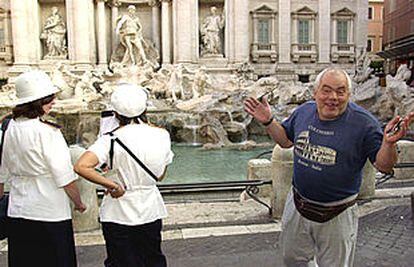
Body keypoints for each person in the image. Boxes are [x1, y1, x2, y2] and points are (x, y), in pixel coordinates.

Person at [244, 67, 414, 267]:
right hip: (298, 205)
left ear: (349, 95)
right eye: (326, 90)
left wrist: (389, 143)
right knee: (293, 260)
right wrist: (268, 121)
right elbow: (285, 141)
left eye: (340, 91)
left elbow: (384, 166)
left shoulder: (364, 124)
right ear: (315, 93)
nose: (333, 97)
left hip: (337, 213)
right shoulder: (304, 111)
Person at [74, 83, 174, 267]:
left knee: (121, 261)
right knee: (152, 258)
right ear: (144, 109)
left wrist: (113, 185)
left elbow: (81, 166)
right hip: (150, 209)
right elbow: (160, 175)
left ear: (116, 113)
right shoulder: (162, 135)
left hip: (118, 211)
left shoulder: (109, 139)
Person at [0, 70, 86, 267]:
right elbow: (64, 176)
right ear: (37, 103)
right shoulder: (48, 132)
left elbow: (1, 171)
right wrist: (78, 202)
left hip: (18, 208)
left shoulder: (8, 127)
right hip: (50, 209)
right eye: (49, 99)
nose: (53, 102)